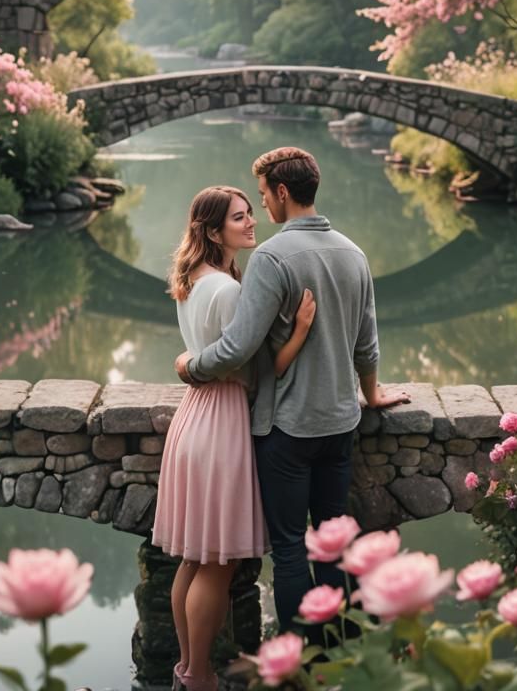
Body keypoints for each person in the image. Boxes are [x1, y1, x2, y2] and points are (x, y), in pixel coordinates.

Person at [175, 147, 409, 634]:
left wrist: (191, 366)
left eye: (262, 196)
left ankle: (300, 662)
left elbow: (238, 348)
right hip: (341, 423)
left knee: (288, 551)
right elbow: (367, 344)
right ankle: (336, 654)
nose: (262, 207)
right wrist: (371, 395)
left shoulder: (270, 258)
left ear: (283, 192)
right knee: (332, 543)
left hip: (285, 429)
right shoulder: (354, 253)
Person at [154, 185, 316, 691]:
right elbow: (258, 374)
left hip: (194, 418)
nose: (251, 224)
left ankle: (186, 668)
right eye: (239, 218)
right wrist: (300, 332)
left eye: (250, 213)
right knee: (218, 564)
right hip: (222, 421)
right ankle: (200, 675)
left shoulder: (195, 279)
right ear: (212, 229)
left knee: (195, 558)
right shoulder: (228, 290)